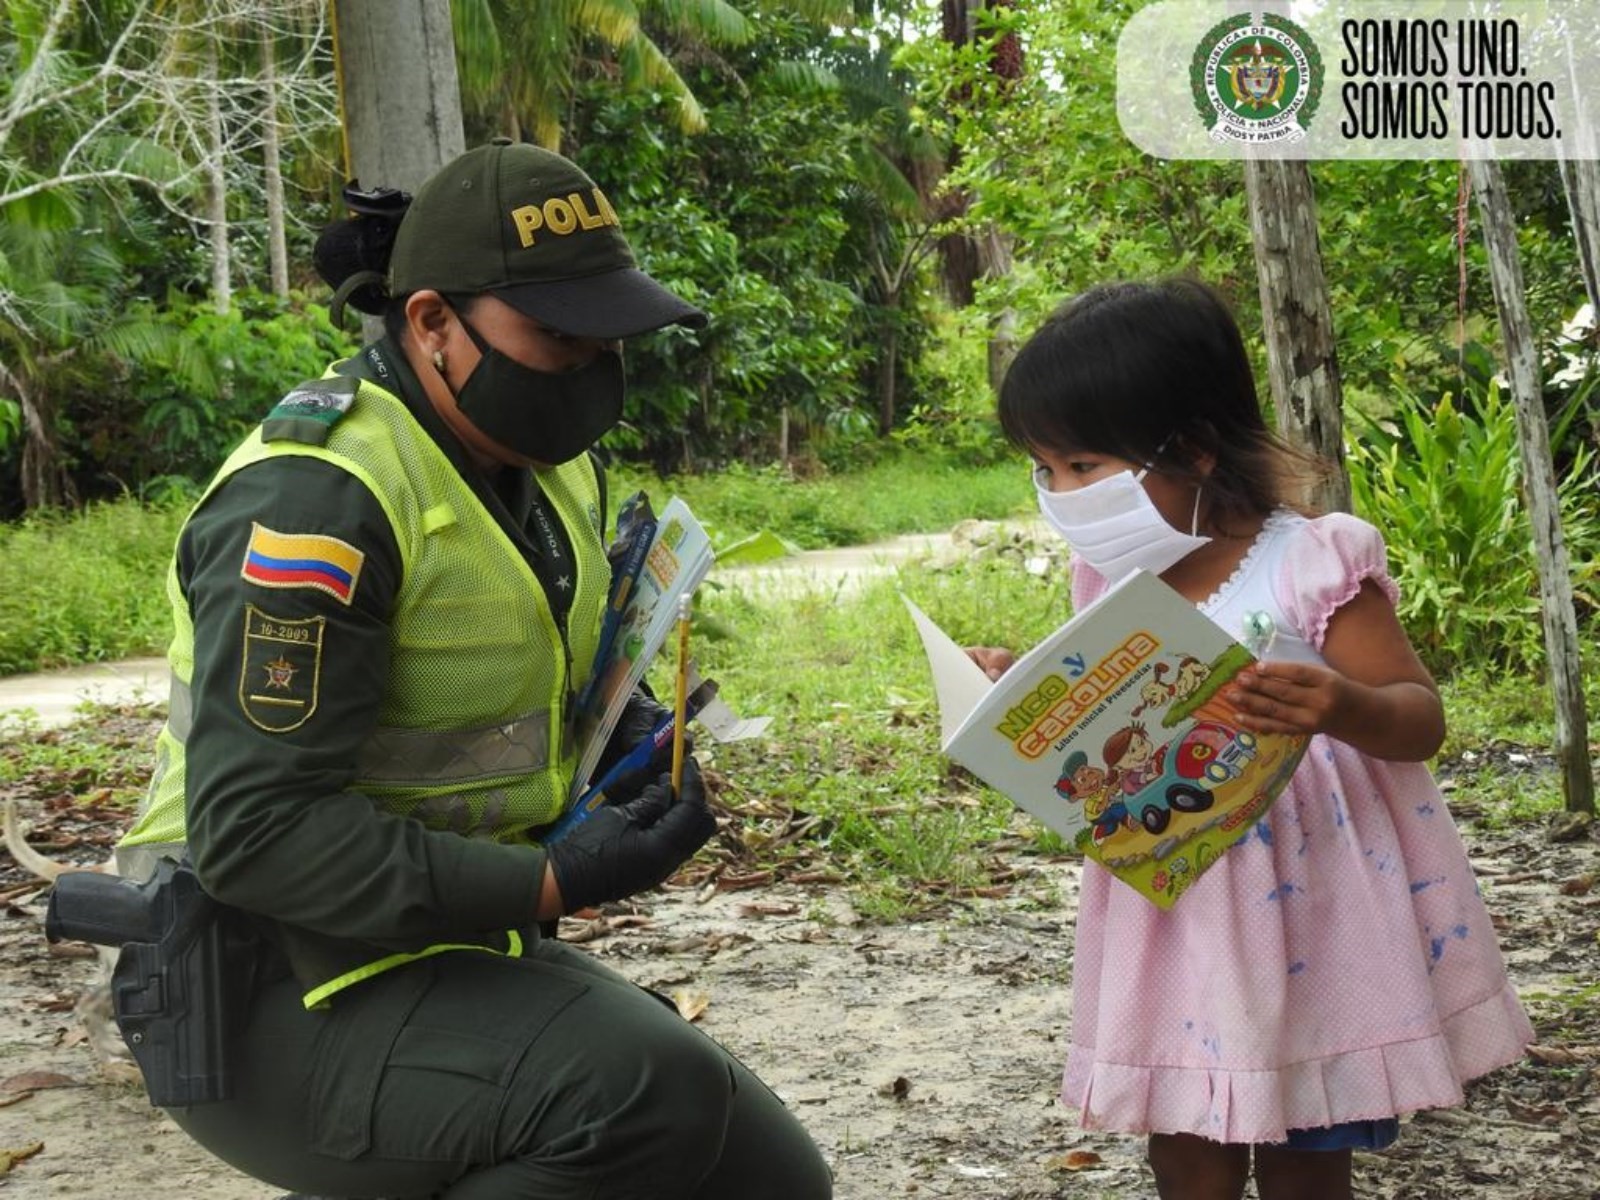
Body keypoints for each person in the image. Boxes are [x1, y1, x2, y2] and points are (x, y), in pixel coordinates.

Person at [112, 139, 833, 1200]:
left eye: (608, 338)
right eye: (557, 335)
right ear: (433, 322)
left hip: (430, 941)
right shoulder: (320, 503)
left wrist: (616, 741)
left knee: (765, 1181)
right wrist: (555, 879)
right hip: (257, 984)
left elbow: (516, 682)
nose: (589, 366)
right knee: (644, 1094)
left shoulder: (542, 468)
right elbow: (257, 837)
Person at [968, 278, 1532, 1200]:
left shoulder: (1312, 560)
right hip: (1176, 904)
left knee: (1311, 1138)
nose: (1061, 493)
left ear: (1189, 450)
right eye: (1046, 470)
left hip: (1312, 905)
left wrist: (1338, 705)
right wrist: (1019, 691)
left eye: (1083, 465)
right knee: (1186, 1137)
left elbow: (1417, 717)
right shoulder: (1110, 573)